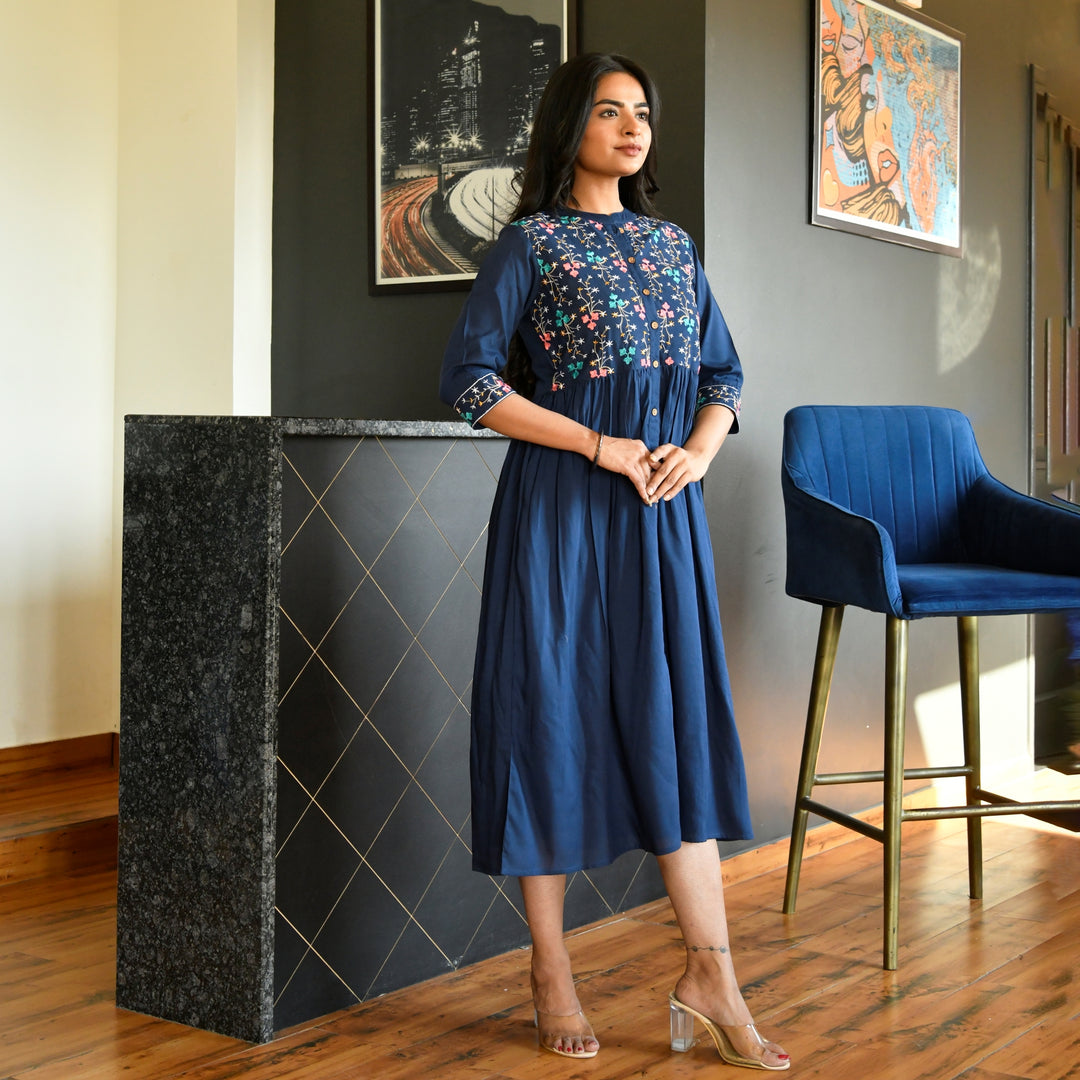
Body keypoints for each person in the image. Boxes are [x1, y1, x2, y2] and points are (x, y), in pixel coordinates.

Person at [439, 53, 790, 1072]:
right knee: (547, 720)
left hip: (661, 521)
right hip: (560, 516)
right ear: (571, 126)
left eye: (642, 111)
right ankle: (549, 966)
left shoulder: (674, 247)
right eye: (608, 110)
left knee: (671, 729)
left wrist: (699, 449)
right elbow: (468, 384)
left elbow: (724, 374)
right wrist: (599, 446)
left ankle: (712, 970)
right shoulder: (530, 245)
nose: (632, 127)